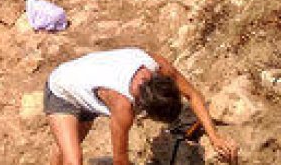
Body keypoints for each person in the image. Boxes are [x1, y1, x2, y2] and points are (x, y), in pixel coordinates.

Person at [43, 48, 238, 165]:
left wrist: (214, 136)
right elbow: (120, 161)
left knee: (66, 145)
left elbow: (193, 95)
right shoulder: (122, 106)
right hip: (63, 89)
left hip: (87, 88)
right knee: (73, 160)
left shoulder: (158, 66)